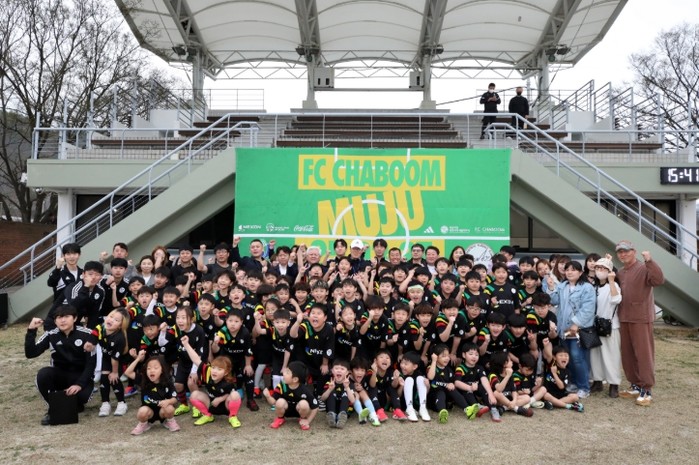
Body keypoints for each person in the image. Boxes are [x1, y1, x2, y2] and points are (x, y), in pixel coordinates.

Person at [25, 305, 97, 425]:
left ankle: (75, 405)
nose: (62, 320)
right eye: (59, 317)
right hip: (60, 374)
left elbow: (91, 365)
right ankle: (54, 408)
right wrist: (31, 330)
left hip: (80, 375)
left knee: (83, 396)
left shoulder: (87, 334)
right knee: (43, 374)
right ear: (55, 321)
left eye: (66, 316)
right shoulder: (51, 334)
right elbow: (31, 353)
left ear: (75, 318)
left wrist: (79, 385)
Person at [614, 240, 664, 406]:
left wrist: (649, 260)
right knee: (627, 354)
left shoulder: (644, 268)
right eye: (620, 252)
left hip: (641, 318)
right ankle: (635, 385)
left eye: (626, 251)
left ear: (634, 251)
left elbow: (658, 280)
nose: (623, 254)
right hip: (624, 317)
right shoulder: (621, 272)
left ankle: (646, 389)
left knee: (643, 354)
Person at [546, 261, 596, 399]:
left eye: (573, 270)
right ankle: (573, 383)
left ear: (580, 273)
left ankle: (584, 387)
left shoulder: (587, 287)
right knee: (567, 358)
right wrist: (551, 287)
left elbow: (588, 309)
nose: (569, 272)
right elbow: (554, 301)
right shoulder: (562, 285)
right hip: (564, 329)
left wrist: (576, 323)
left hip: (578, 330)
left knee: (578, 358)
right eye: (567, 270)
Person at [180, 335, 243, 428]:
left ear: (226, 372)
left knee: (235, 395)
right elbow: (196, 359)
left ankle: (232, 416)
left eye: (219, 369)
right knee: (194, 395)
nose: (214, 371)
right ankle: (207, 415)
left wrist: (220, 399)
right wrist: (186, 344)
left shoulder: (228, 381)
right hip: (211, 404)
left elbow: (230, 393)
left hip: (226, 406)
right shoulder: (208, 373)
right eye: (213, 367)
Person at [589, 256, 622, 398]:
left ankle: (614, 384)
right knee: (595, 355)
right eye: (598, 268)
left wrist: (612, 281)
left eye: (603, 268)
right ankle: (597, 381)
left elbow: (616, 299)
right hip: (595, 326)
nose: (600, 270)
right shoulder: (594, 286)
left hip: (610, 326)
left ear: (610, 271)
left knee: (611, 356)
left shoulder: (612, 286)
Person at [262, 361, 319, 430]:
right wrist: (268, 396)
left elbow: (315, 407)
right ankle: (280, 418)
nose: (284, 373)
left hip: (299, 411)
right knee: (279, 402)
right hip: (286, 410)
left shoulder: (304, 390)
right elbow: (273, 402)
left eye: (287, 372)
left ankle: (303, 419)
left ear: (295, 379)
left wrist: (308, 421)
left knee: (304, 404)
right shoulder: (282, 386)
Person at [321, 358, 355, 428]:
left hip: (345, 410)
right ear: (332, 371)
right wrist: (329, 389)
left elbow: (353, 400)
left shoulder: (349, 384)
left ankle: (342, 416)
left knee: (345, 394)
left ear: (347, 372)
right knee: (331, 392)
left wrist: (347, 388)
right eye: (336, 368)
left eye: (342, 369)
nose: (339, 370)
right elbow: (322, 398)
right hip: (331, 411)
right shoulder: (329, 383)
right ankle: (332, 416)